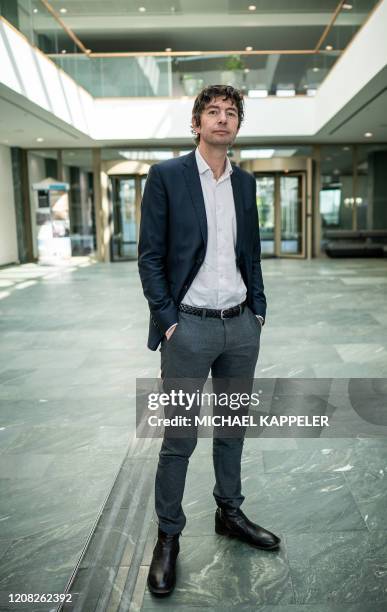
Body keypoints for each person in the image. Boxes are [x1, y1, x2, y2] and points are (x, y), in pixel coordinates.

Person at [138, 84, 280, 597]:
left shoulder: (244, 184)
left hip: (241, 326)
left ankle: (230, 513)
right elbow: (150, 256)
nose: (223, 119)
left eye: (231, 113)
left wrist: (258, 309)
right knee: (178, 440)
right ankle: (168, 537)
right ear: (196, 122)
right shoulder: (167, 177)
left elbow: (252, 252)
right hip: (188, 328)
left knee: (232, 429)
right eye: (213, 112)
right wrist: (168, 319)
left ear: (238, 125)